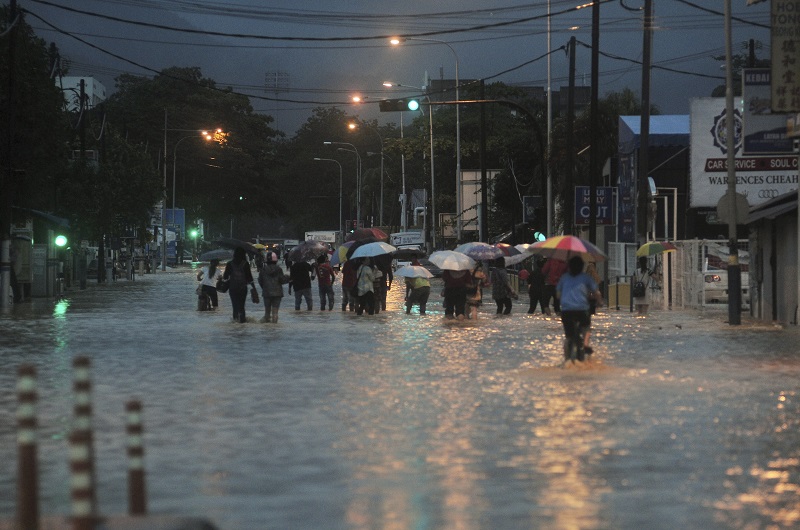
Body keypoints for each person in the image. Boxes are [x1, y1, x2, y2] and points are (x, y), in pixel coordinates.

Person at [556, 256, 603, 361]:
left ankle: (567, 357)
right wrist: (599, 302)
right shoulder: (586, 278)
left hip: (567, 311)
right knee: (586, 327)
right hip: (582, 310)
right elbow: (597, 293)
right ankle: (585, 344)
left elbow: (558, 295)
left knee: (569, 336)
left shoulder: (564, 278)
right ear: (582, 267)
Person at [223, 247, 256, 323]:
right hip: (243, 288)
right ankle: (242, 323)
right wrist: (254, 288)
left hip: (233, 288)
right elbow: (249, 277)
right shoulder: (245, 264)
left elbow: (225, 276)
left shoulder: (229, 264)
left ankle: (235, 324)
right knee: (241, 307)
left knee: (234, 307)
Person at [258, 252, 289, 323]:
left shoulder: (263, 270)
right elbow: (282, 280)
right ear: (276, 260)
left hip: (267, 293)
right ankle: (274, 328)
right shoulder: (279, 269)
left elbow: (260, 281)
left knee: (267, 313)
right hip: (277, 293)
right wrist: (287, 278)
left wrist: (264, 288)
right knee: (275, 313)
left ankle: (268, 330)